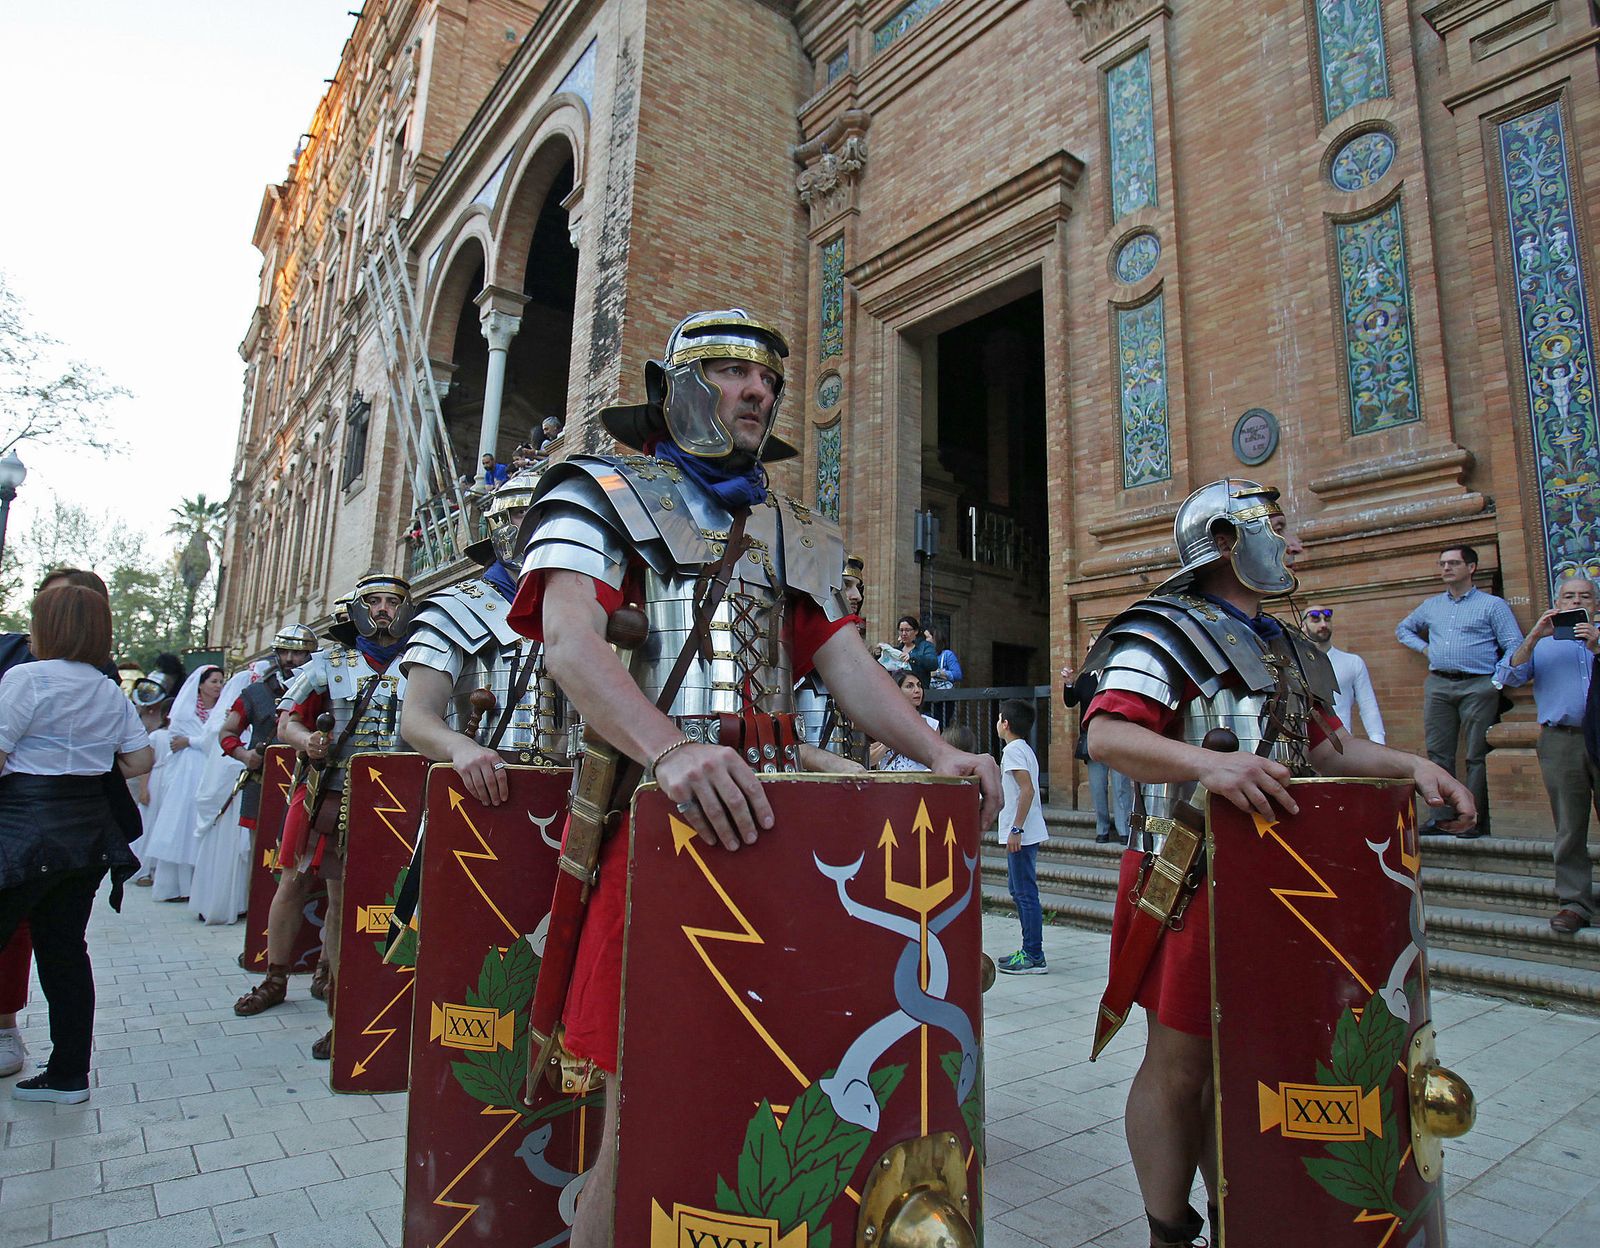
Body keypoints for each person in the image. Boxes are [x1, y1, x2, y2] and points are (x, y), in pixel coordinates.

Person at [508, 308, 999, 1247]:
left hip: (780, 844)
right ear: (681, 387)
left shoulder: (791, 530)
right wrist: (671, 748)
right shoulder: (600, 493)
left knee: (777, 1076)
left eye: (768, 378)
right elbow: (572, 644)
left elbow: (847, 665)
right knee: (644, 1103)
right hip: (659, 834)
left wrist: (936, 752)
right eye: (734, 372)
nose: (759, 390)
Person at [1083, 479, 1474, 1248]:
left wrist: (1415, 767)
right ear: (1227, 540)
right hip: (1188, 873)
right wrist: (1207, 765)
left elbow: (1328, 749)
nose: (1295, 542)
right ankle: (1169, 1232)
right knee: (1182, 1065)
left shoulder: (1286, 645)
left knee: (1249, 1064)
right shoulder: (1161, 630)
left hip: (1283, 887)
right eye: (1279, 526)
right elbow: (1106, 737)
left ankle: (1243, 1208)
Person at [232, 574, 411, 1063]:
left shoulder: (422, 658)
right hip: (329, 790)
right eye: (373, 600)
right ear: (357, 608)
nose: (382, 609)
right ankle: (275, 976)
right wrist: (306, 741)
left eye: (392, 601)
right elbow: (286, 719)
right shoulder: (329, 662)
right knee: (296, 881)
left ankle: (338, 994)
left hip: (394, 794)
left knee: (349, 897)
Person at [0, 585, 154, 1102]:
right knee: (65, 950)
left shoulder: (26, 679)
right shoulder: (107, 689)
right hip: (87, 835)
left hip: (22, 829)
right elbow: (139, 761)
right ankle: (68, 1073)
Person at [400, 472, 569, 801]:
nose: (542, 521)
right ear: (502, 522)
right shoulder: (452, 609)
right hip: (475, 797)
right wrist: (459, 746)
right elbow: (416, 717)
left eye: (553, 511)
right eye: (526, 511)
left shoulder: (581, 610)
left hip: (569, 799)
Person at [1494, 577, 1600, 933]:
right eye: (1568, 596)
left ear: (1595, 604)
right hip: (1561, 739)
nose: (1575, 601)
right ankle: (1574, 902)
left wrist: (1596, 646)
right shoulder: (1543, 644)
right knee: (1569, 826)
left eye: (1584, 596)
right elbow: (1507, 677)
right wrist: (1535, 635)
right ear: (1557, 601)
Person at [1397, 545, 1523, 836]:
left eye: (1453, 563)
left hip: (1479, 684)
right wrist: (1426, 649)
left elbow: (1514, 644)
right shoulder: (1431, 606)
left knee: (1477, 754)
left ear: (1472, 568)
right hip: (1439, 684)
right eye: (1442, 564)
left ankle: (1471, 820)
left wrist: (1498, 678)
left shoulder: (1492, 605)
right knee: (1438, 753)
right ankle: (1440, 817)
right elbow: (1403, 629)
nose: (1446, 569)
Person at [141, 665, 224, 900]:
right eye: (214, 682)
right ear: (201, 684)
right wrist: (193, 741)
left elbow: (216, 739)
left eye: (220, 682)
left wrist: (192, 741)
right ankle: (174, 886)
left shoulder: (221, 711)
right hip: (186, 772)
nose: (218, 686)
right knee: (181, 822)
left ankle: (200, 885)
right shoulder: (185, 711)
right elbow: (176, 739)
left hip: (209, 768)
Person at [996, 697, 1049, 975]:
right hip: (1024, 832)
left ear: (1005, 723)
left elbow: (1027, 790)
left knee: (1025, 893)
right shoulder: (1022, 748)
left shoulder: (1013, 751)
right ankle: (1029, 949)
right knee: (1019, 890)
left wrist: (1016, 828)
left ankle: (1033, 954)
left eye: (999, 718)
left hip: (1022, 834)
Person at [1063, 656, 1134, 844]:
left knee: (1121, 787)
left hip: (1117, 739)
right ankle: (1102, 828)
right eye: (1088, 649)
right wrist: (1069, 685)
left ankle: (1124, 829)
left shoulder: (1117, 675)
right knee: (1097, 787)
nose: (1090, 652)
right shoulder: (1085, 678)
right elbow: (1070, 702)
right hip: (1093, 740)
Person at [1302, 604, 1385, 743]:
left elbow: (1368, 706)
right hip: (1305, 746)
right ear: (1303, 626)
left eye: (1327, 619)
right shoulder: (1296, 663)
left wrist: (1378, 742)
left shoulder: (1352, 662)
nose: (1323, 624)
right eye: (1315, 620)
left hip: (1342, 745)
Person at [869, 670, 940, 771]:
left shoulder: (931, 724)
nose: (917, 690)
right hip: (891, 782)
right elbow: (870, 760)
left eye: (919, 685)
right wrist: (889, 740)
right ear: (896, 690)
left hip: (922, 782)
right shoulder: (884, 724)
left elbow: (937, 760)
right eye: (909, 686)